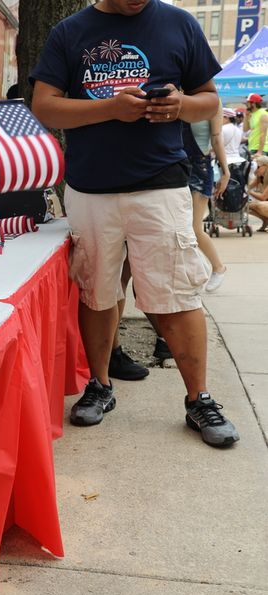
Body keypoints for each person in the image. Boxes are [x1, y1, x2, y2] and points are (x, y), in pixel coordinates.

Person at [31, 0, 240, 447]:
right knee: (97, 289)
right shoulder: (70, 31)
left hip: (160, 184)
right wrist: (109, 108)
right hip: (90, 188)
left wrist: (181, 105)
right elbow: (44, 107)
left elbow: (210, 100)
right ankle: (101, 386)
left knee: (178, 292)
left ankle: (199, 399)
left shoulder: (179, 23)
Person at [183, 111, 229, 292]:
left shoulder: (211, 100)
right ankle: (193, 272)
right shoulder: (176, 91)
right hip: (174, 166)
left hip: (199, 167)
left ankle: (218, 267)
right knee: (177, 227)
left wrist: (225, 172)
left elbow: (217, 139)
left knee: (194, 227)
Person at [246, 155, 268, 230]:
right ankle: (265, 221)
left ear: (266, 166)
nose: (255, 170)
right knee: (246, 206)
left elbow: (263, 197)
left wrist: (248, 192)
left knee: (258, 205)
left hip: (265, 201)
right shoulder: (260, 176)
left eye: (258, 167)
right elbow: (248, 186)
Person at [244, 93, 268, 157]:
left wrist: (259, 152)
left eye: (248, 102)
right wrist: (246, 116)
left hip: (261, 150)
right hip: (252, 147)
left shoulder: (263, 114)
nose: (246, 104)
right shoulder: (252, 114)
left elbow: (263, 134)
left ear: (253, 103)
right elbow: (245, 129)